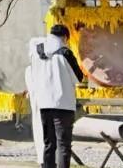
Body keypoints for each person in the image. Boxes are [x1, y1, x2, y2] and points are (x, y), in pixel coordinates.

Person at [25, 24, 83, 168]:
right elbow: (78, 77)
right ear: (65, 37)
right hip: (63, 104)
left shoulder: (37, 52)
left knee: (49, 143)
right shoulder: (65, 53)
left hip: (44, 104)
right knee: (63, 145)